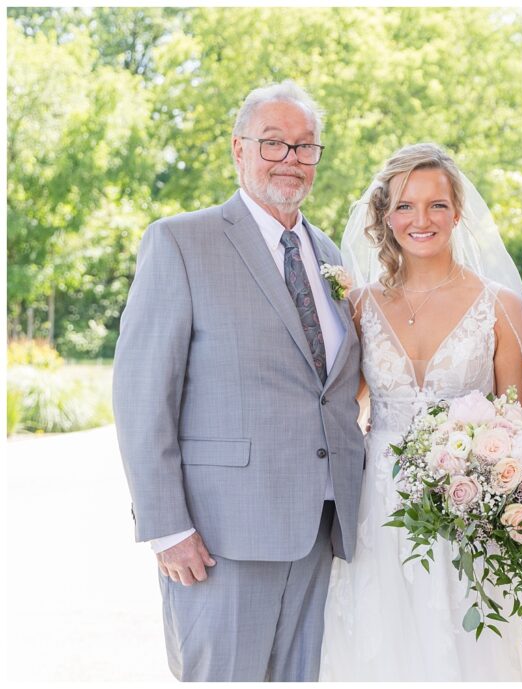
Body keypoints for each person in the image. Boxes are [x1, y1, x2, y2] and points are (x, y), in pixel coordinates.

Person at [112, 81, 365, 681]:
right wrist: (166, 526)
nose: (290, 160)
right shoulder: (180, 240)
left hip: (321, 526)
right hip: (219, 534)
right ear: (238, 149)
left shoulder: (330, 253)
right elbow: (143, 394)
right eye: (273, 143)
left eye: (305, 147)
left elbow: (333, 389)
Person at [319, 143, 522, 681]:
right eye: (405, 206)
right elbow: (341, 404)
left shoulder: (501, 305)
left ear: (457, 213)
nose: (422, 220)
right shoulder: (361, 306)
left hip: (468, 508)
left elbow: (516, 424)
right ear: (386, 217)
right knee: (378, 645)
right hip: (378, 505)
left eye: (436, 205)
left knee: (464, 646)